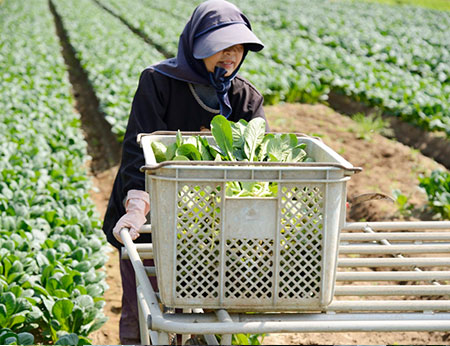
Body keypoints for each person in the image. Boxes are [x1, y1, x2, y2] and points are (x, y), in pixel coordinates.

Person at [102, 0, 268, 343]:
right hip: (150, 218)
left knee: (208, 312)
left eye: (238, 48)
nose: (230, 56)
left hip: (215, 228)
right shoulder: (158, 82)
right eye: (220, 47)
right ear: (195, 47)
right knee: (145, 307)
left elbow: (258, 162)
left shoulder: (245, 98)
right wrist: (136, 207)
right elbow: (137, 149)